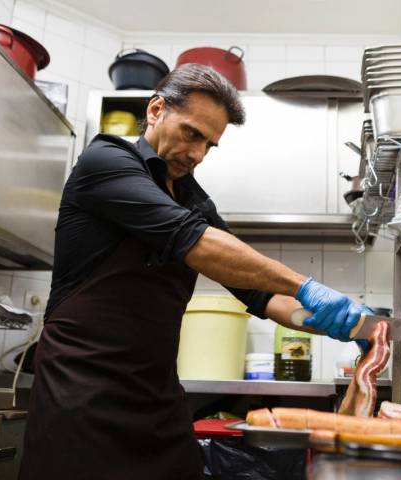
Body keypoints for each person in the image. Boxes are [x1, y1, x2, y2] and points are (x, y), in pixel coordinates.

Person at [19, 64, 373, 479]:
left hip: (157, 403)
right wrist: (305, 284)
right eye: (192, 133)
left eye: (210, 144)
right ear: (156, 110)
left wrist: (344, 326)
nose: (198, 154)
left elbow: (256, 293)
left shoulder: (193, 198)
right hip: (80, 399)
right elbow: (192, 240)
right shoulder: (106, 161)